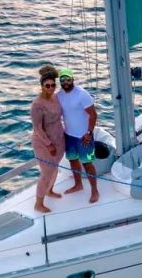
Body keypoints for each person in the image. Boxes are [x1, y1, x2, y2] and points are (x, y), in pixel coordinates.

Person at [57, 68, 99, 203]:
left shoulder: (82, 94)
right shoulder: (59, 95)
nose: (65, 82)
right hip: (69, 136)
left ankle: (94, 190)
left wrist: (88, 133)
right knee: (73, 160)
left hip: (83, 136)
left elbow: (93, 115)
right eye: (62, 80)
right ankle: (78, 184)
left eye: (67, 79)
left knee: (87, 164)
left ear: (72, 80)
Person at [30, 64, 65, 213]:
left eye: (52, 85)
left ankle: (50, 190)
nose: (50, 88)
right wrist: (48, 144)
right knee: (46, 173)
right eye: (47, 85)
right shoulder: (37, 105)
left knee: (55, 167)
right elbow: (38, 128)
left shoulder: (55, 97)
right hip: (44, 142)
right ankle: (38, 203)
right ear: (42, 86)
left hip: (59, 138)